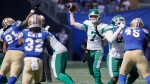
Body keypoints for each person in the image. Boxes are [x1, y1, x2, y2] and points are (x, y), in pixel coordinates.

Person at [0, 2, 40, 84]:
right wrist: (32, 10)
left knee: (1, 73)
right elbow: (26, 21)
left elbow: (4, 49)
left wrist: (8, 56)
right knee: (14, 75)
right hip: (19, 53)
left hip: (8, 53)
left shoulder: (4, 33)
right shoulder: (16, 25)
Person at [69, 8, 108, 84]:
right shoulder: (87, 23)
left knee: (96, 70)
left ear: (99, 16)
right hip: (89, 50)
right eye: (92, 16)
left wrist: (103, 37)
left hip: (98, 50)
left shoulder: (104, 26)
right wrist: (71, 13)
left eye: (95, 16)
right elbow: (73, 23)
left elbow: (107, 38)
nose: (93, 18)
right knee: (91, 72)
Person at [104, 15, 139, 84]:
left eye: (123, 22)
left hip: (125, 56)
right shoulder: (109, 29)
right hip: (114, 56)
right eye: (120, 22)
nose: (122, 23)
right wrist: (119, 29)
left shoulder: (127, 29)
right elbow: (111, 39)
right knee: (114, 79)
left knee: (135, 74)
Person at [19, 14, 51, 84]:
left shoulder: (24, 32)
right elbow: (49, 49)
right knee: (37, 82)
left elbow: (19, 43)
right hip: (39, 61)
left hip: (28, 61)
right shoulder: (45, 34)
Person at [118, 18, 150, 84]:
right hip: (138, 52)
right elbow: (146, 42)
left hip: (127, 53)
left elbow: (119, 37)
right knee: (147, 74)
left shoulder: (125, 29)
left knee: (122, 74)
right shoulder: (143, 31)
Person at [39, 15, 52, 83]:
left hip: (45, 48)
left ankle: (49, 78)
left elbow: (49, 38)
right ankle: (42, 78)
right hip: (39, 48)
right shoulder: (36, 28)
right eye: (41, 20)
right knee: (40, 64)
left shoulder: (47, 28)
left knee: (46, 63)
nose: (42, 21)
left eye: (43, 20)